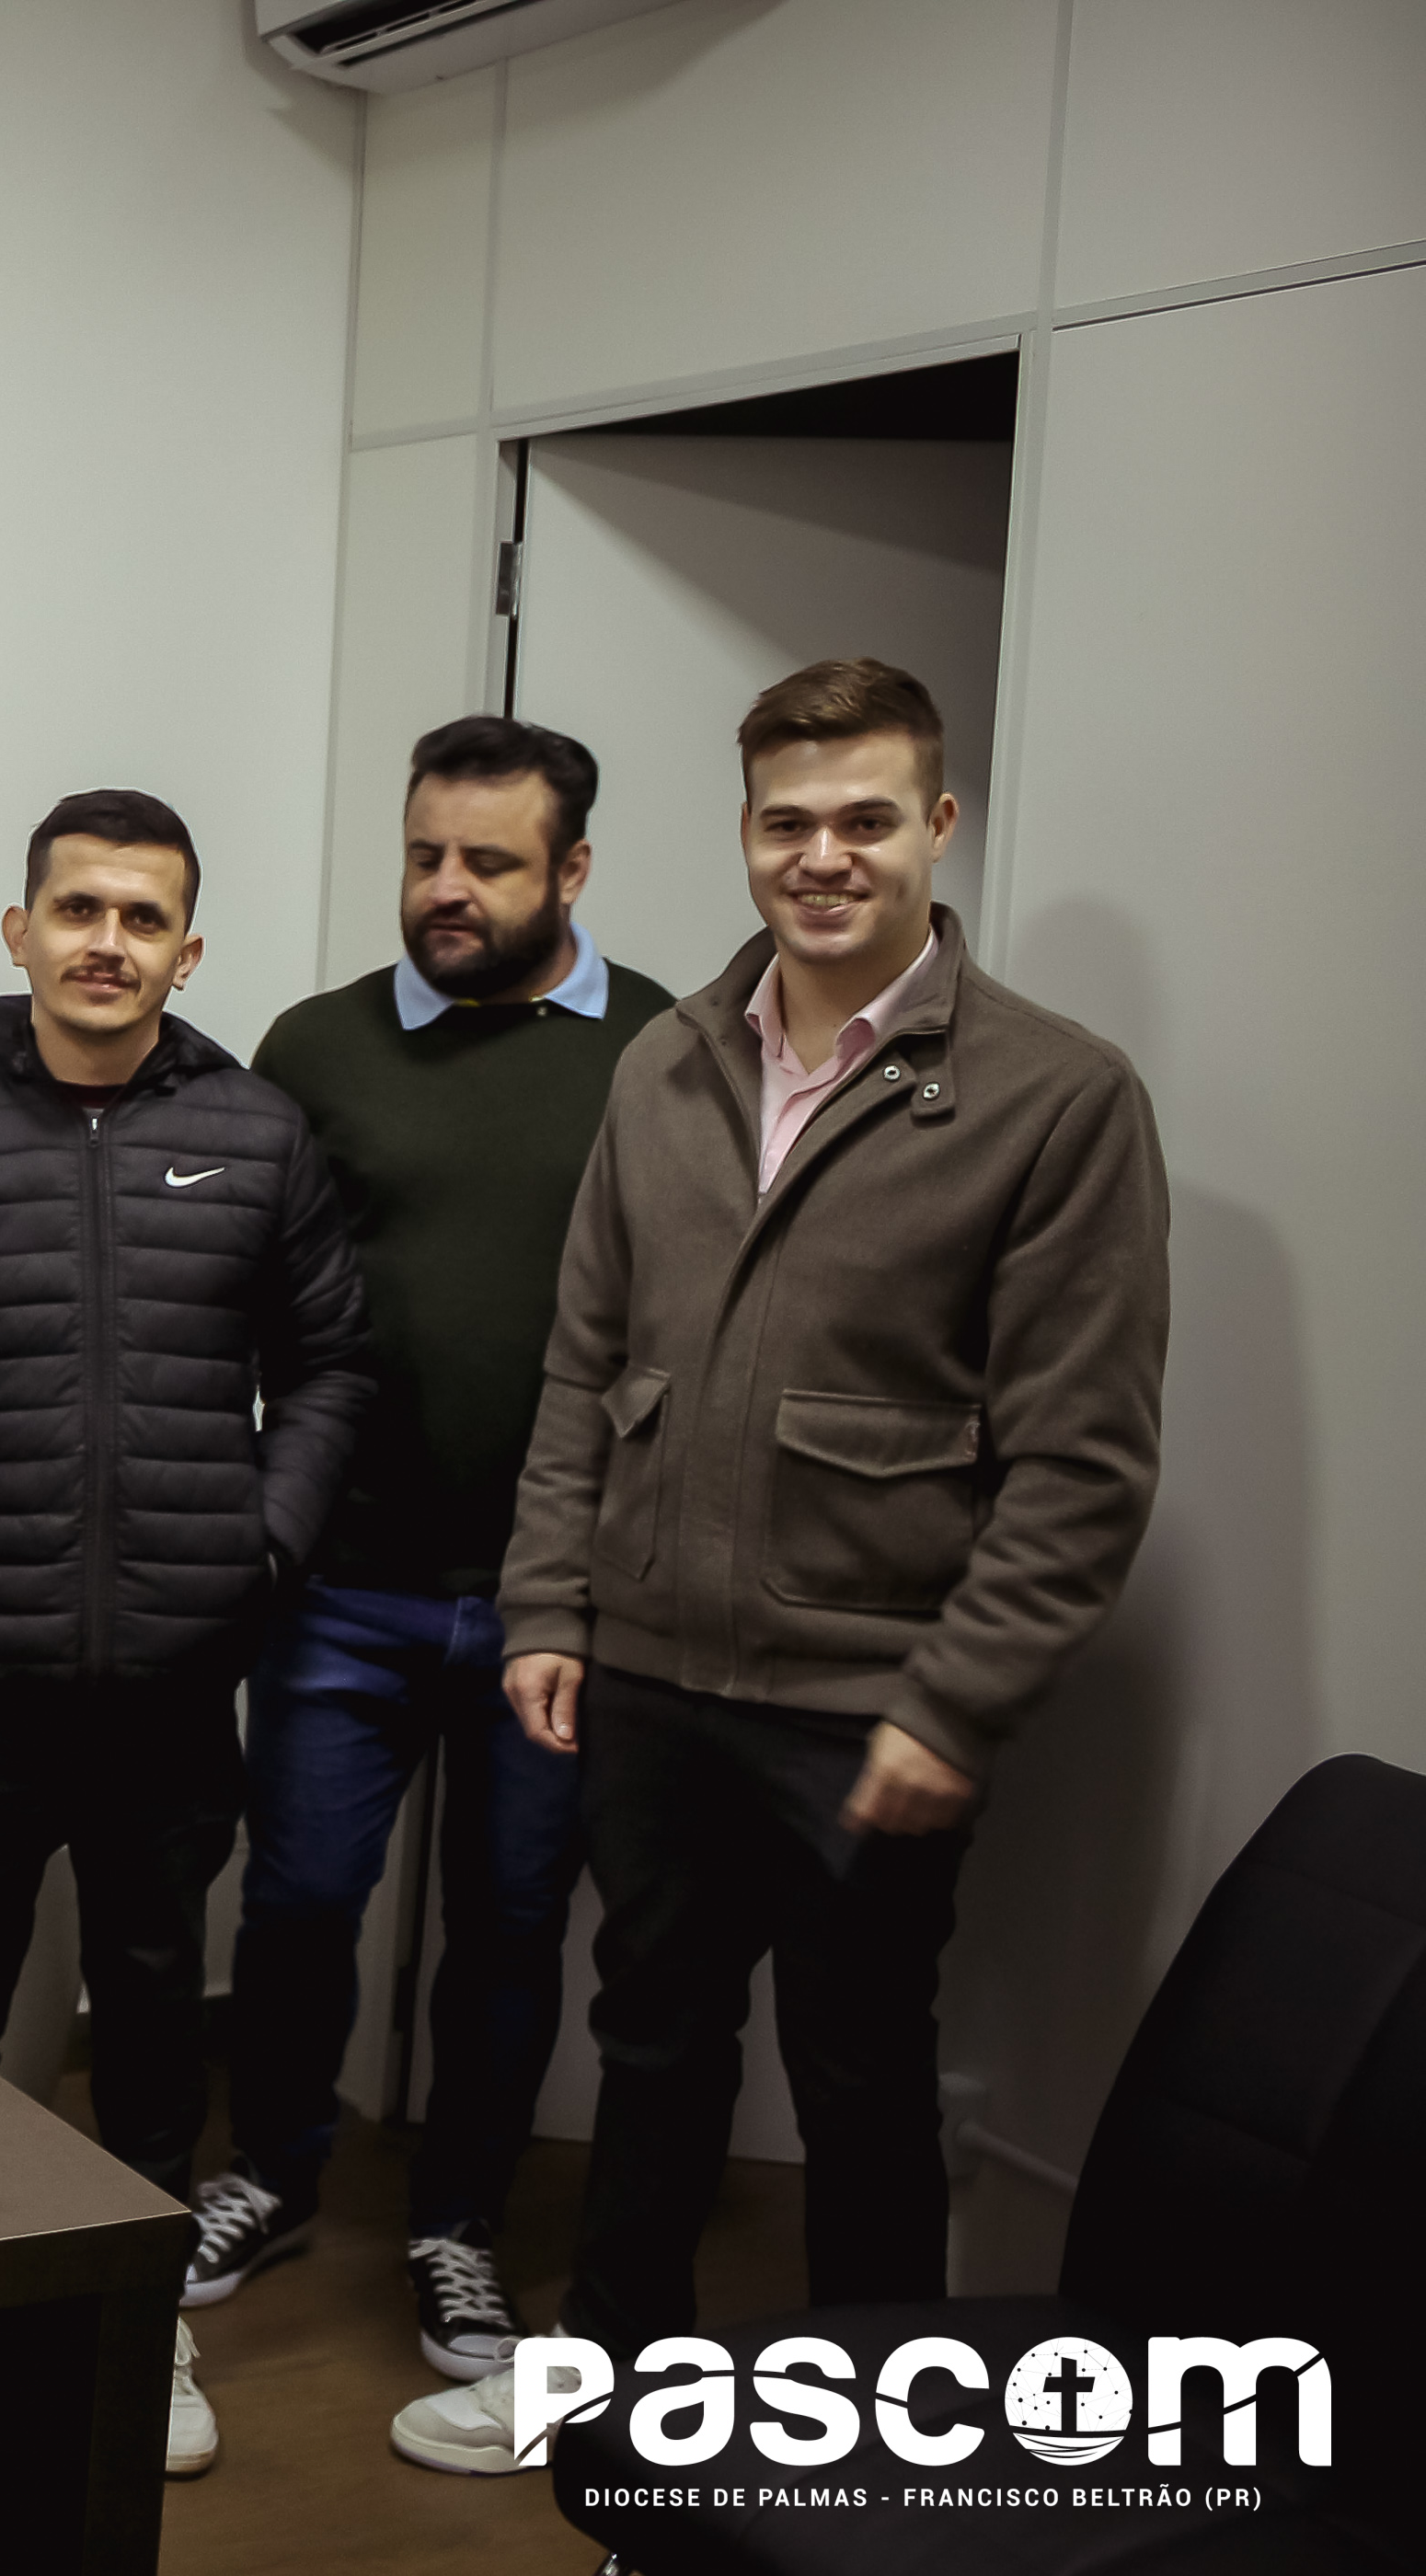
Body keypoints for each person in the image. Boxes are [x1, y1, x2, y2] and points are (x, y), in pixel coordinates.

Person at [394, 659, 1168, 2475]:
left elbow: (1082, 1465)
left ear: (938, 827)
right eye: (787, 821)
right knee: (652, 2047)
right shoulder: (668, 1060)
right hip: (654, 1678)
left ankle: (875, 2454)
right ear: (745, 832)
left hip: (871, 1705)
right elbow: (584, 1362)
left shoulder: (1056, 1095)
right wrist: (553, 1601)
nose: (823, 857)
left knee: (859, 2079)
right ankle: (617, 2393)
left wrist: (957, 1704)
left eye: (866, 819)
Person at [0, 788, 372, 2478]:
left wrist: (262, 1542)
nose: (109, 942)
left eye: (144, 918)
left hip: (175, 1680)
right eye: (80, 909)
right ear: (20, 930)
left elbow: (331, 1365)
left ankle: (140, 2319)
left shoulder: (260, 1137)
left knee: (158, 2011)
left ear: (190, 950)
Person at [186, 717, 676, 2379]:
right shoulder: (316, 1047)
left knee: (512, 1927)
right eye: (425, 856)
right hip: (343, 1584)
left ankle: (460, 2225)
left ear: (574, 870)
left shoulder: (664, 1051)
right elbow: (242, 1293)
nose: (446, 889)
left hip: (560, 1606)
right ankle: (272, 2173)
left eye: (489, 862)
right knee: (298, 1905)